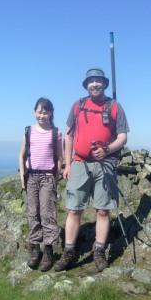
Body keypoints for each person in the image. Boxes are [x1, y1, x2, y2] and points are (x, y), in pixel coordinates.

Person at [55, 68, 129, 272]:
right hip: (79, 163)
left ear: (104, 84)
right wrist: (68, 164)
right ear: (86, 85)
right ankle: (69, 252)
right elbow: (69, 136)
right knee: (73, 209)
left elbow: (122, 137)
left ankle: (99, 251)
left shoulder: (115, 107)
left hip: (105, 164)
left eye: (98, 81)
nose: (94, 84)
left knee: (103, 210)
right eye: (91, 81)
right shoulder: (78, 106)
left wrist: (108, 149)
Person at [18, 97, 63, 272]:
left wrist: (55, 178)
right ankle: (35, 250)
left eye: (45, 112)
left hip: (47, 178)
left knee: (47, 214)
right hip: (31, 177)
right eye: (39, 111)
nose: (42, 115)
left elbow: (60, 158)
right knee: (32, 213)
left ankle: (49, 251)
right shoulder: (28, 131)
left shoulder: (56, 133)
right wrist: (23, 175)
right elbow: (21, 155)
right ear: (34, 112)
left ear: (51, 113)